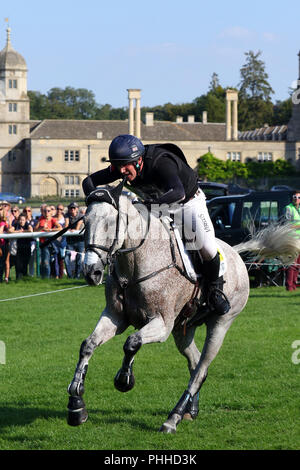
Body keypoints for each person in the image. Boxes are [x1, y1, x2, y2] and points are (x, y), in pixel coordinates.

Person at [82, 134, 230, 315]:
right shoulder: (121, 166)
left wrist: (146, 206)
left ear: (138, 161)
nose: (120, 171)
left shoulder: (161, 163)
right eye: (116, 165)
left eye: (124, 166)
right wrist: (99, 202)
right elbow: (88, 182)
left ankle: (215, 291)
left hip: (187, 204)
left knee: (205, 247)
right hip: (155, 206)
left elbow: (178, 193)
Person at [34, 205, 62, 278]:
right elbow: (35, 230)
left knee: (46, 261)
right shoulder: (41, 219)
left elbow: (60, 228)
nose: (46, 212)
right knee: (40, 261)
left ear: (51, 212)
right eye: (45, 211)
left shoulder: (53, 220)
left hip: (47, 243)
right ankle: (42, 277)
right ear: (43, 212)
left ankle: (47, 277)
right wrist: (42, 228)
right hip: (40, 242)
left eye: (48, 211)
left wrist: (50, 230)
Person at [284, 190, 300, 291]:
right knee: (291, 264)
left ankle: (294, 285)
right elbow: (287, 225)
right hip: (291, 240)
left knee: (298, 264)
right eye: (295, 197)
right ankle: (289, 287)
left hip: (299, 240)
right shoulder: (288, 208)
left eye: (299, 197)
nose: (297, 199)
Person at [64, 202, 85, 279]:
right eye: (71, 208)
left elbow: (77, 227)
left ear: (77, 209)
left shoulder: (81, 216)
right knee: (66, 258)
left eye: (74, 208)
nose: (72, 209)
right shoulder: (66, 215)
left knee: (79, 260)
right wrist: (68, 229)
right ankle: (69, 276)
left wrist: (71, 229)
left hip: (80, 241)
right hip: (70, 241)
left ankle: (77, 276)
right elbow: (66, 226)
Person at [13, 213, 33, 280]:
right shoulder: (16, 224)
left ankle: (25, 279)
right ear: (18, 220)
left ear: (25, 220)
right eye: (20, 220)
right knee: (18, 264)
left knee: (25, 265)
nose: (21, 221)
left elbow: (30, 230)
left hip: (27, 247)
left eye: (23, 220)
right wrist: (18, 231)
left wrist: (23, 231)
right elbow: (10, 230)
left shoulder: (27, 225)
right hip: (19, 248)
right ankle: (18, 279)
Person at [52, 204, 67, 278]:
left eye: (61, 209)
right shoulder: (53, 218)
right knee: (54, 259)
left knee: (61, 258)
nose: (59, 211)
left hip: (62, 240)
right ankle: (55, 275)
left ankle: (61, 275)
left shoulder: (65, 218)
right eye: (58, 209)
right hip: (54, 241)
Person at [22, 206, 36, 276]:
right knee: (23, 261)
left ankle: (31, 275)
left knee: (31, 260)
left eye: (29, 211)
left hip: (32, 243)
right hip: (22, 243)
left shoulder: (35, 221)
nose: (27, 212)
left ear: (31, 212)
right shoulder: (21, 221)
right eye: (25, 211)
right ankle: (23, 275)